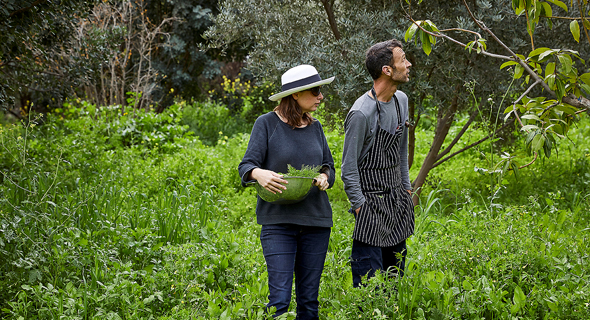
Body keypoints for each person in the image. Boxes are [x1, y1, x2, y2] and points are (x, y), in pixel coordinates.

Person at [238, 64, 336, 319]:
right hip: (278, 223)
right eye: (315, 91)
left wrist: (325, 177)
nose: (320, 96)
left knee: (309, 301)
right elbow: (246, 166)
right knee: (279, 300)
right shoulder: (266, 124)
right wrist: (258, 173)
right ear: (295, 94)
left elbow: (329, 166)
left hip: (315, 222)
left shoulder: (316, 127)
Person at [341, 39, 415, 288]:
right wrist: (361, 207)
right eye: (403, 59)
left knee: (396, 280)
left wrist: (406, 190)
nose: (408, 64)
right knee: (368, 284)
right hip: (370, 206)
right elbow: (348, 169)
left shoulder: (401, 101)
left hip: (397, 200)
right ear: (387, 70)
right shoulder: (361, 113)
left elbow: (401, 153)